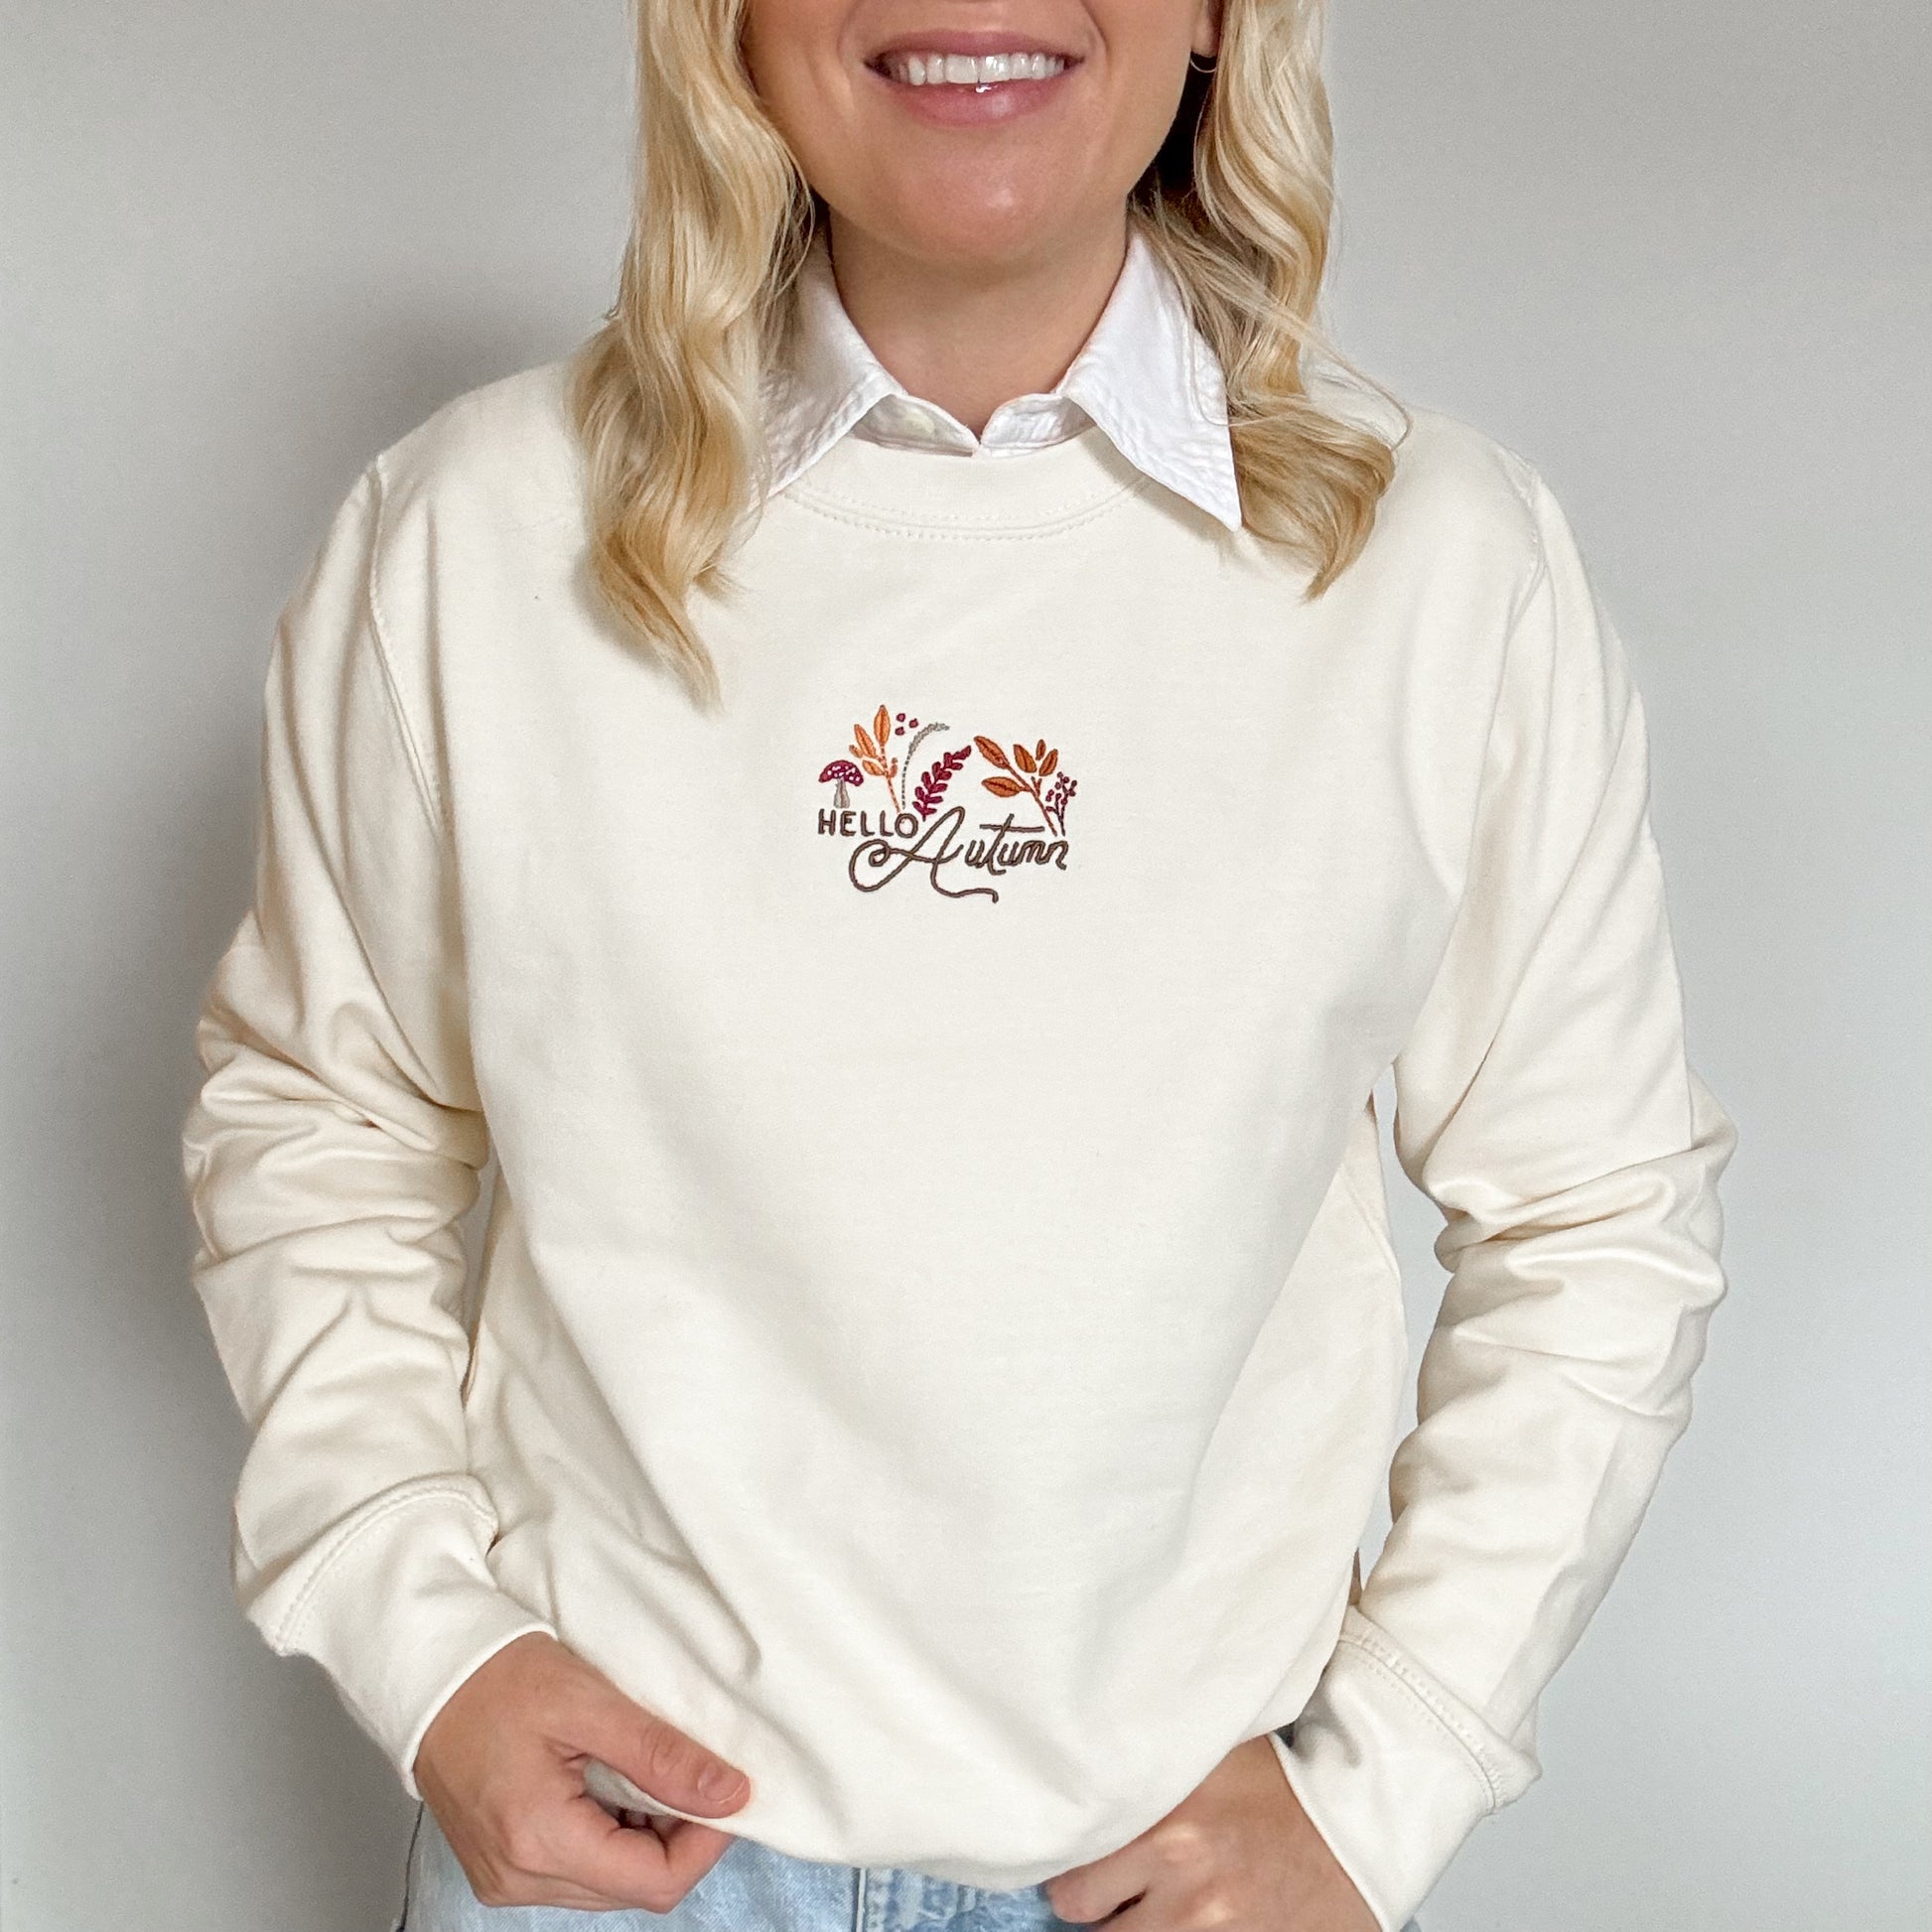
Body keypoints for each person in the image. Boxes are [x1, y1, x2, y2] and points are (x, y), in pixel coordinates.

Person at [178, 1, 1738, 1929]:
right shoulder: (471, 534)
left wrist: (1380, 1778)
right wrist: (427, 1644)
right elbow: (323, 1122)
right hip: (611, 1865)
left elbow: (1595, 1210)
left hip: (1172, 1872)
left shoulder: (1439, 562)